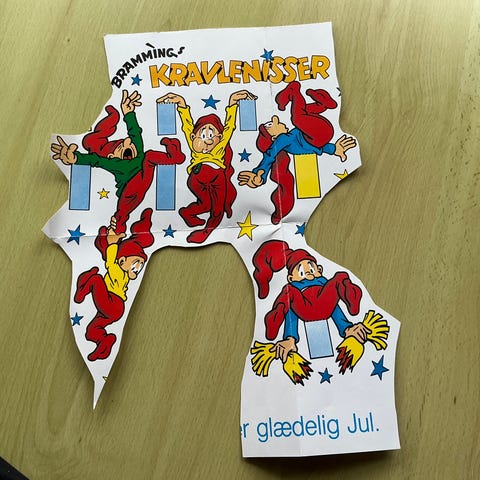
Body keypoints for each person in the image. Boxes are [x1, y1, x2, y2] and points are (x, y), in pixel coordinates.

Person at [51, 90, 185, 234]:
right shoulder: (114, 163)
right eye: (120, 147)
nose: (128, 143)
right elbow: (96, 161)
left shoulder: (138, 152)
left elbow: (135, 133)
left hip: (143, 179)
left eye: (128, 143)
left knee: (149, 156)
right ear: (111, 156)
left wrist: (128, 113)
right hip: (128, 192)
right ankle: (118, 231)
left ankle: (175, 157)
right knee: (121, 215)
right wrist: (76, 158)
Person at [157, 90, 256, 243]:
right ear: (193, 137)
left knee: (217, 209)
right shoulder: (193, 143)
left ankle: (205, 232)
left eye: (212, 135)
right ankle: (187, 213)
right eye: (203, 135)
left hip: (218, 177)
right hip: (197, 177)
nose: (208, 140)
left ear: (220, 138)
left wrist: (233, 102)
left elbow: (229, 126)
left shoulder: (220, 146)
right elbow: (187, 124)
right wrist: (181, 104)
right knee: (205, 205)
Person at [252, 240, 370, 363]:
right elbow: (291, 315)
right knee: (288, 295)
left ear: (319, 269)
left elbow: (334, 307)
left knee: (339, 278)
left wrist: (347, 328)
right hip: (304, 307)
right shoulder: (293, 290)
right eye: (301, 272)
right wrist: (290, 338)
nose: (308, 272)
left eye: (311, 268)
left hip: (324, 304)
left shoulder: (325, 284)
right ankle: (275, 320)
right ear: (291, 278)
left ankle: (352, 304)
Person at [238, 81, 357, 201]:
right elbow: (270, 155)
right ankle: (305, 96)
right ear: (273, 138)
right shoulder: (283, 139)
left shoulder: (295, 134)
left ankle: (310, 98)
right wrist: (335, 149)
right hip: (320, 135)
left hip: (319, 132)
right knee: (298, 117)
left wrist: (260, 171)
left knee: (300, 116)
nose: (275, 120)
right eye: (270, 125)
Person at [74, 208, 154, 361]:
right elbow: (112, 261)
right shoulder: (120, 271)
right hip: (113, 308)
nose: (138, 267)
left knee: (96, 279)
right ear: (122, 261)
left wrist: (112, 243)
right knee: (91, 331)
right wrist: (113, 243)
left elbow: (110, 261)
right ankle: (105, 342)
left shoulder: (120, 272)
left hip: (112, 303)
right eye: (136, 262)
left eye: (140, 265)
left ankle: (83, 289)